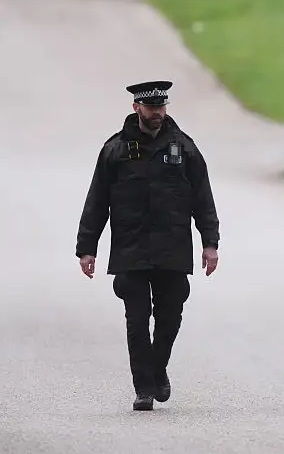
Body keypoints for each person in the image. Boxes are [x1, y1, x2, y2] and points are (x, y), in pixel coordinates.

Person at [75, 79, 221, 411]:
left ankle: (158, 368)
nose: (157, 113)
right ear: (136, 108)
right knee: (137, 320)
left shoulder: (185, 148)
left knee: (170, 317)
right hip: (131, 251)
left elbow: (203, 199)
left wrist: (209, 243)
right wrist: (87, 248)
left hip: (173, 249)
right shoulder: (115, 150)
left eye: (161, 107)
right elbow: (96, 201)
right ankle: (143, 387)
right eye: (151, 107)